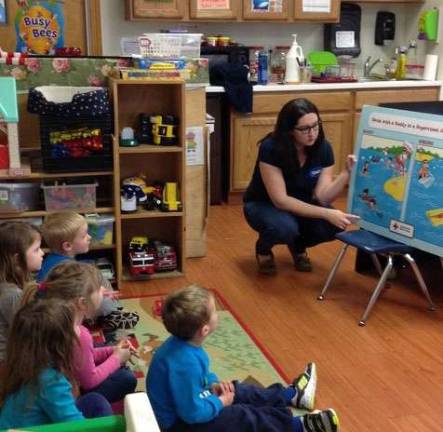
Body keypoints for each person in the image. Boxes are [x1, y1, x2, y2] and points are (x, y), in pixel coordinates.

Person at [146, 285, 339, 432]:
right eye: (214, 311)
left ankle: (292, 395)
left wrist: (213, 384)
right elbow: (192, 414)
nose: (217, 313)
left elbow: (198, 380)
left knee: (238, 390)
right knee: (240, 415)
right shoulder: (183, 364)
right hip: (178, 425)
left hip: (191, 402)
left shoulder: (184, 342)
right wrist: (221, 403)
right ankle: (297, 426)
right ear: (204, 330)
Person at [243, 98, 357, 274]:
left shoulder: (323, 148)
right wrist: (327, 213)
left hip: (301, 203)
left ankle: (298, 245)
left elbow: (322, 196)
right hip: (264, 204)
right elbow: (280, 201)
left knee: (336, 225)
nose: (312, 133)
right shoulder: (271, 148)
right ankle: (263, 248)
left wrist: (346, 174)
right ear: (289, 130)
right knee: (285, 228)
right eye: (304, 129)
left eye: (315, 126)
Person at [0, 298, 113, 429]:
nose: (80, 329)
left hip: (24, 424)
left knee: (95, 401)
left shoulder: (24, 364)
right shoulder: (50, 381)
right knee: (101, 408)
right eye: (74, 327)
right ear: (59, 343)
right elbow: (78, 428)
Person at [39, 260, 138, 405]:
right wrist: (117, 358)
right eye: (99, 289)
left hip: (62, 381)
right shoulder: (79, 335)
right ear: (82, 303)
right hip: (73, 395)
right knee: (127, 378)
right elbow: (89, 381)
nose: (103, 290)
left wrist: (113, 350)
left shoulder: (53, 322)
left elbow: (80, 357)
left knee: (106, 346)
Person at [37, 211, 139, 330]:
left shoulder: (52, 260)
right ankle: (110, 315)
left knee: (97, 279)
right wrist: (101, 294)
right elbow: (77, 297)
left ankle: (108, 312)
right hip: (62, 314)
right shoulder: (67, 269)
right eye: (84, 235)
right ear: (67, 246)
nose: (89, 237)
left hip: (54, 308)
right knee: (101, 288)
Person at [0, 221, 44, 370]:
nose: (42, 253)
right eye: (37, 250)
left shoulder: (10, 286)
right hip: (9, 366)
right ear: (17, 259)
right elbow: (30, 334)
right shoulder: (12, 295)